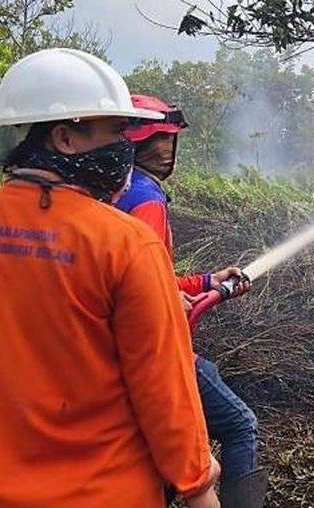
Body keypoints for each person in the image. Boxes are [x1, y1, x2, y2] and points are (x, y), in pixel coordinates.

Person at [0, 48, 219, 508]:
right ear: (65, 138)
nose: (124, 149)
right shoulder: (125, 242)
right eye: (115, 133)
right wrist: (198, 485)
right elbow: (163, 387)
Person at [117, 94, 268, 507]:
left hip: (117, 354)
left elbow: (144, 276)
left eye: (169, 141)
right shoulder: (146, 198)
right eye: (160, 142)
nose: (166, 152)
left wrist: (206, 281)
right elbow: (145, 285)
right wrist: (169, 300)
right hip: (156, 352)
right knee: (239, 424)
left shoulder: (110, 192)